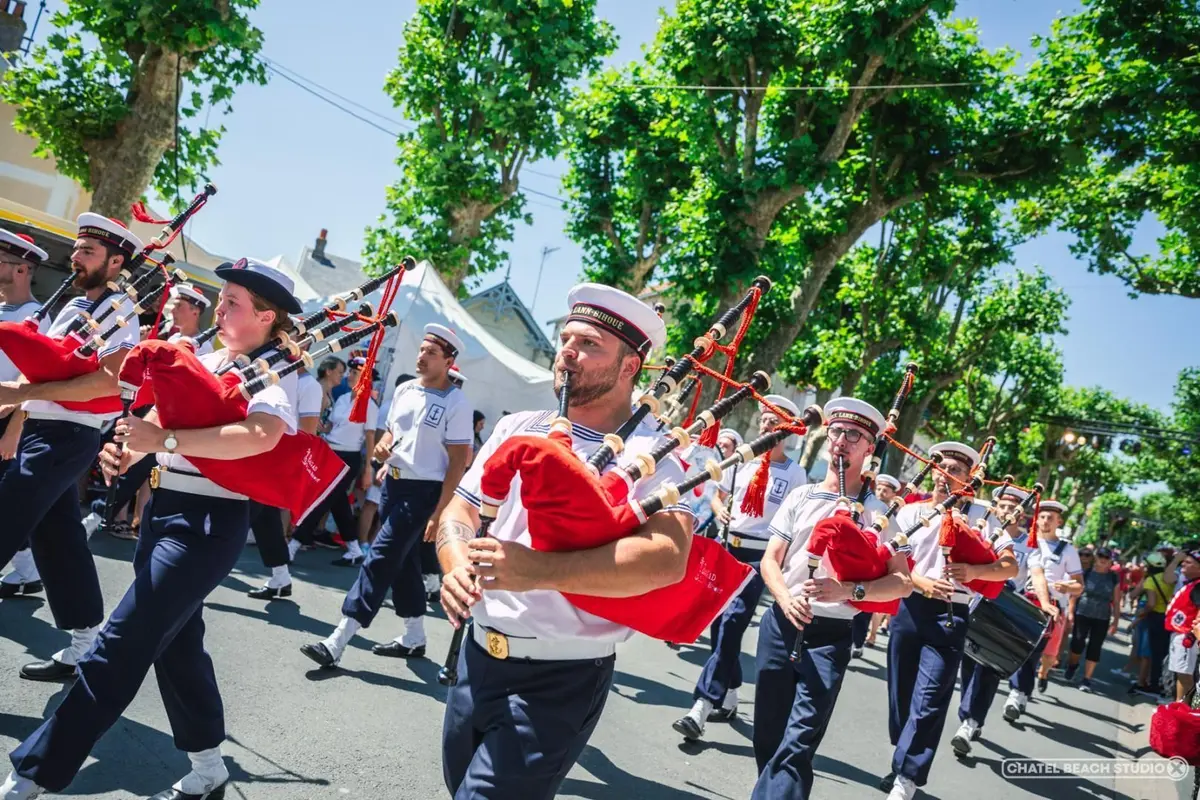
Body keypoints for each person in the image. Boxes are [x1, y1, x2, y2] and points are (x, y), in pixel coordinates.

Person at [0, 256, 304, 800]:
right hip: (165, 513)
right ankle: (209, 766)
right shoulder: (209, 358)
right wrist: (130, 450)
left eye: (233, 303)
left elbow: (261, 435)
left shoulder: (273, 374)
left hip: (206, 526)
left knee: (121, 643)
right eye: (222, 298)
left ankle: (33, 772)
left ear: (266, 317)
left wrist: (163, 441)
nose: (219, 309)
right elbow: (166, 415)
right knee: (178, 646)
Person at [436, 282, 694, 799]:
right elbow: (459, 510)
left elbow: (667, 558)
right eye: (566, 339)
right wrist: (456, 565)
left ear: (630, 367)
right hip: (475, 657)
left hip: (558, 679)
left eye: (589, 344)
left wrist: (537, 572)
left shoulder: (655, 455)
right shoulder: (518, 426)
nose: (568, 353)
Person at [0, 214, 143, 682]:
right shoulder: (75, 305)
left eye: (88, 251)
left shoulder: (121, 312)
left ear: (115, 262)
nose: (75, 257)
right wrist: (19, 404)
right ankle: (86, 643)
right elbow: (47, 370)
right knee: (58, 540)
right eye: (77, 248)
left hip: (68, 436)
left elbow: (107, 382)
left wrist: (22, 394)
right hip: (45, 430)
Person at [752, 398, 913, 799]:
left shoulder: (880, 512)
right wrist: (785, 598)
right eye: (836, 431)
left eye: (854, 435)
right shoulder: (801, 496)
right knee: (769, 737)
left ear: (869, 448)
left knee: (798, 743)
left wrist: (848, 591)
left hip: (830, 635)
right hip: (781, 624)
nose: (841, 440)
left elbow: (902, 583)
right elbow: (771, 560)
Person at [300, 324, 472, 668]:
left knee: (380, 556)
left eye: (431, 353)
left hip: (425, 491)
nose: (422, 357)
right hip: (393, 484)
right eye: (422, 350)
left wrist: (441, 512)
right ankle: (414, 636)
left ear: (448, 361)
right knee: (403, 562)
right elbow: (394, 431)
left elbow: (458, 462)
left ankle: (338, 638)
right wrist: (383, 448)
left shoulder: (457, 403)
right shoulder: (406, 389)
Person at [881, 442, 1018, 800]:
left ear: (969, 478)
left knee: (929, 698)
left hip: (951, 615)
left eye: (955, 470)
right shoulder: (911, 512)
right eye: (940, 467)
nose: (945, 475)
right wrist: (922, 583)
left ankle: (907, 778)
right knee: (901, 694)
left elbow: (1010, 566)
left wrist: (974, 570)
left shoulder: (983, 517)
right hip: (910, 608)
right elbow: (891, 561)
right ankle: (901, 755)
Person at [673, 394, 807, 740]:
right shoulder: (742, 459)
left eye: (773, 420)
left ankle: (702, 705)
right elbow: (717, 495)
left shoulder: (796, 473)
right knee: (720, 626)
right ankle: (731, 693)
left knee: (733, 622)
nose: (765, 425)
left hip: (760, 556)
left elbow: (795, 522)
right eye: (763, 419)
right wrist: (720, 511)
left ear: (787, 429)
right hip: (729, 548)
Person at [953, 485, 1031, 750]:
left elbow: (1036, 575)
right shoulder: (983, 529)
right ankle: (969, 718)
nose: (1006, 511)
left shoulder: (1030, 545)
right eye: (1003, 506)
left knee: (988, 668)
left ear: (1021, 514)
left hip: (1004, 611)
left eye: (1013, 508)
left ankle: (970, 721)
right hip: (974, 605)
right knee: (969, 663)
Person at [0, 228, 49, 599]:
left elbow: (36, 380)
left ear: (21, 270)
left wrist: (14, 430)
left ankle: (29, 570)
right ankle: (28, 571)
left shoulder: (37, 317)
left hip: (7, 419)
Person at [292, 364, 380, 568]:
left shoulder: (369, 405)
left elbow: (370, 437)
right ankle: (354, 549)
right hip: (330, 452)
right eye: (350, 372)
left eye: (355, 373)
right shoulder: (343, 398)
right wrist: (322, 427)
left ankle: (293, 544)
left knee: (324, 499)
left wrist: (368, 468)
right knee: (336, 501)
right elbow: (332, 425)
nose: (349, 376)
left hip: (348, 457)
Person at [1022, 500, 1084, 694]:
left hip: (1053, 606)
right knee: (1022, 646)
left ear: (1059, 521)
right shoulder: (1025, 541)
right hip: (1025, 599)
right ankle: (1020, 688)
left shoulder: (1067, 550)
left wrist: (1067, 586)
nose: (1045, 521)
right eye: (1041, 516)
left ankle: (1043, 672)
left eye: (1050, 517)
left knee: (1049, 653)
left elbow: (1079, 586)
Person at [1064, 546, 1122, 691]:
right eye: (1100, 556)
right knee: (1077, 642)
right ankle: (1073, 665)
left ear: (1110, 561)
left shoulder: (1113, 578)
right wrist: (1070, 612)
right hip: (1082, 612)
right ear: (1096, 558)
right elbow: (1075, 594)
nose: (1103, 560)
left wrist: (1115, 621)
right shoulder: (1086, 573)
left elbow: (1116, 601)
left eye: (1106, 558)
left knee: (1095, 647)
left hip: (1102, 617)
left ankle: (1086, 679)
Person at [1166, 548, 1200, 702]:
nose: (1183, 564)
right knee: (1180, 672)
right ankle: (1179, 704)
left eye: (1188, 562)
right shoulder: (1192, 583)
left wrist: (1192, 634)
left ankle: (1188, 707)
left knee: (1185, 674)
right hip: (1179, 633)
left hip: (1187, 636)